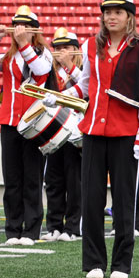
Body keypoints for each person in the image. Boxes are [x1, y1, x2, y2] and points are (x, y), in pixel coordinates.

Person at [58, 0, 139, 278]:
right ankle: (94, 263)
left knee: (124, 202)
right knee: (92, 200)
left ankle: (121, 264)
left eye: (118, 12)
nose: (111, 17)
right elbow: (85, 86)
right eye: (107, 11)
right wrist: (57, 96)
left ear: (129, 16)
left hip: (127, 135)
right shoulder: (89, 46)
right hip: (94, 132)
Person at [0, 5, 52, 246]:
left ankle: (31, 231)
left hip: (34, 123)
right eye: (16, 25)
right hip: (9, 121)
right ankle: (12, 229)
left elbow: (41, 71)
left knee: (32, 178)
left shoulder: (43, 53)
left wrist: (24, 44)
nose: (19, 29)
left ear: (34, 30)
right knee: (12, 179)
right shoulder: (8, 56)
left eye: (25, 25)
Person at [41, 28, 83, 242]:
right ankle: (54, 226)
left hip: (77, 132)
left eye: (66, 47)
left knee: (75, 182)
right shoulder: (49, 71)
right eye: (57, 48)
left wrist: (70, 66)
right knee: (54, 180)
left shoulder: (83, 69)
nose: (60, 52)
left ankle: (73, 227)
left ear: (76, 50)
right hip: (55, 130)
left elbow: (87, 86)